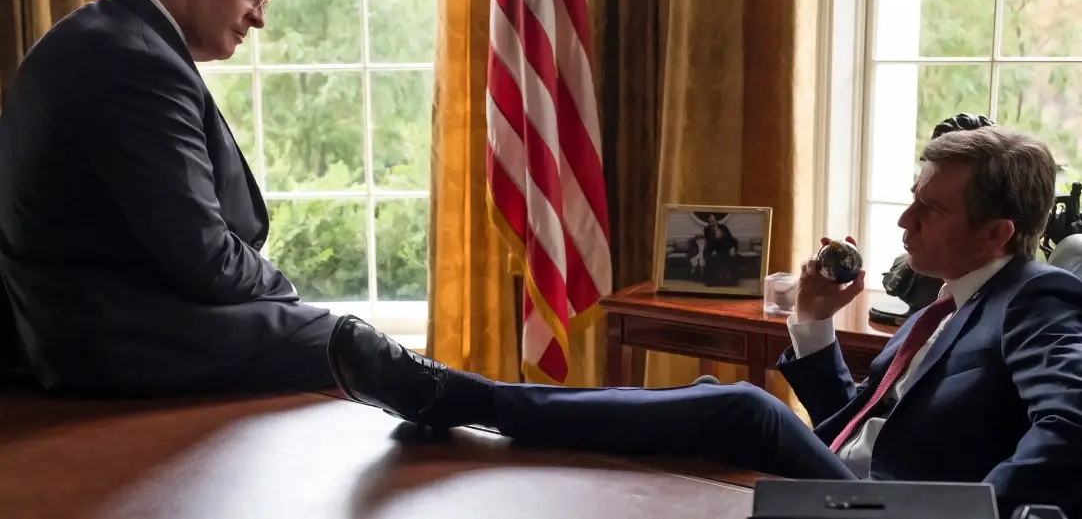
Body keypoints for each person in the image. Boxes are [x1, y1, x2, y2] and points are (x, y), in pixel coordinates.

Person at [328, 125, 1082, 518]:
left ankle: (456, 395)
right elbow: (854, 426)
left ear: (997, 233)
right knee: (709, 398)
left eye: (931, 209)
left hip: (904, 510)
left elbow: (1071, 425)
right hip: (853, 482)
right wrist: (813, 323)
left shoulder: (1037, 297)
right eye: (912, 198)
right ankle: (467, 404)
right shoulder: (947, 303)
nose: (905, 221)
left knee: (744, 407)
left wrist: (976, 515)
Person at [0, 0, 448, 396]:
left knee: (351, 348)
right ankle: (506, 409)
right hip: (116, 337)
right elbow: (205, 258)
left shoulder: (99, 34)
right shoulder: (138, 60)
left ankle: (499, 406)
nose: (259, 17)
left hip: (81, 321)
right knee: (353, 347)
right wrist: (281, 291)